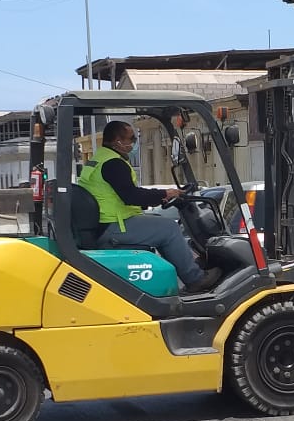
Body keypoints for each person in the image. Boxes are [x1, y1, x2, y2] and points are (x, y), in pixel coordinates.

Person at [78, 120, 221, 294]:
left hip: (104, 224)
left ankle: (188, 265)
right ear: (117, 141)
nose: (134, 143)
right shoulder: (113, 164)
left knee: (159, 223)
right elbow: (131, 195)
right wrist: (164, 194)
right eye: (132, 139)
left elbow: (121, 194)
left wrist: (158, 197)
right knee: (169, 228)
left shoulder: (98, 159)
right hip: (113, 226)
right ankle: (195, 279)